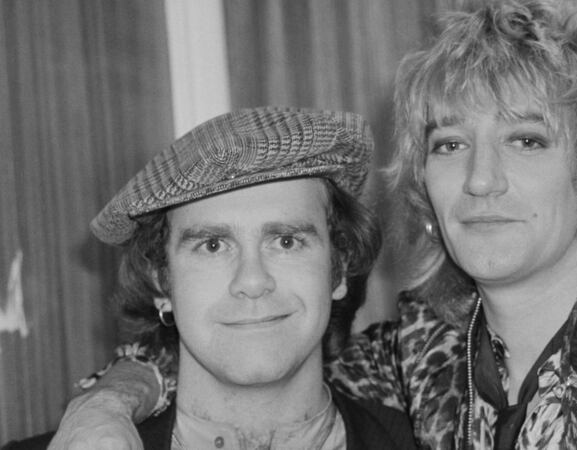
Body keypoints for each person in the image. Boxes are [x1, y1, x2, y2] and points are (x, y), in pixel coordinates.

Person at [39, 0, 577, 448]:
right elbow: (241, 346)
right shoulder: (418, 355)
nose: (481, 178)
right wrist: (109, 402)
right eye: (450, 144)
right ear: (424, 185)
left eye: (526, 139)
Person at [2, 106, 416, 449]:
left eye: (286, 241)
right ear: (161, 282)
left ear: (338, 268)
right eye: (213, 246)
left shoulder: (428, 440)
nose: (252, 281)